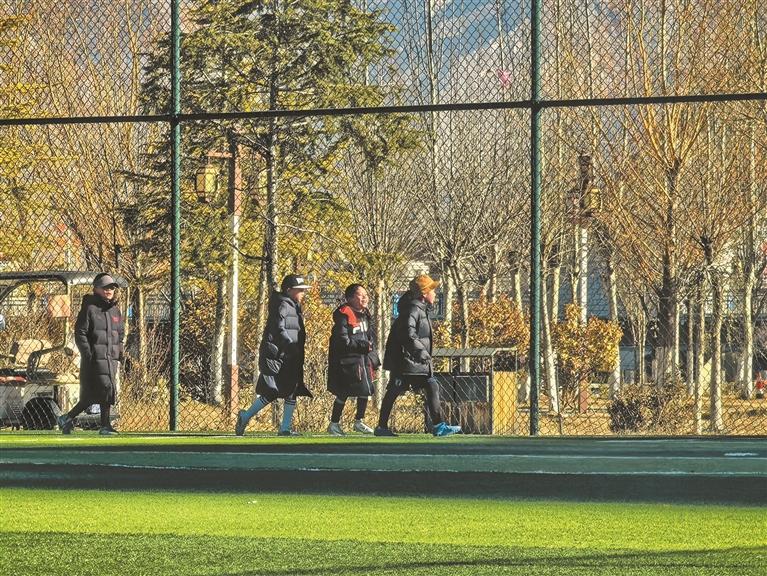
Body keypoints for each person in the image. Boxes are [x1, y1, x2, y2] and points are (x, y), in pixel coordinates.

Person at [376, 274, 461, 437]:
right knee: (401, 389)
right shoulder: (413, 310)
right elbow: (407, 333)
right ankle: (382, 427)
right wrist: (420, 352)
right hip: (407, 361)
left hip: (412, 361)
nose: (435, 294)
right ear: (424, 293)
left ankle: (437, 425)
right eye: (432, 290)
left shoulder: (419, 309)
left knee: (422, 386)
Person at [236, 274, 312, 436]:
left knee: (291, 389)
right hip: (279, 355)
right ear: (289, 290)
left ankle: (283, 427)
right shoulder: (282, 304)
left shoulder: (294, 305)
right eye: (299, 290)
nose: (302, 293)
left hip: (291, 355)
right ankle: (248, 417)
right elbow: (278, 327)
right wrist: (289, 345)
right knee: (274, 390)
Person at [57, 273, 124, 436]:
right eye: (105, 287)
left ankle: (66, 418)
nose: (109, 290)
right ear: (96, 289)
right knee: (103, 389)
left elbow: (120, 334)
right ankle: (105, 425)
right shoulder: (89, 308)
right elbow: (80, 333)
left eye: (111, 287)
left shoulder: (115, 310)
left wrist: (119, 353)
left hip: (110, 359)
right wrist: (89, 354)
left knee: (95, 394)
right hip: (95, 359)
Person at [326, 284, 379, 436]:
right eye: (360, 295)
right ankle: (334, 424)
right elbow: (343, 341)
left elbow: (370, 336)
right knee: (344, 392)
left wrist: (372, 354)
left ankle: (359, 421)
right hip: (348, 361)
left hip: (363, 359)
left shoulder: (365, 313)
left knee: (365, 389)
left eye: (366, 294)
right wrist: (362, 346)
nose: (365, 297)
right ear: (350, 298)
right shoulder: (344, 314)